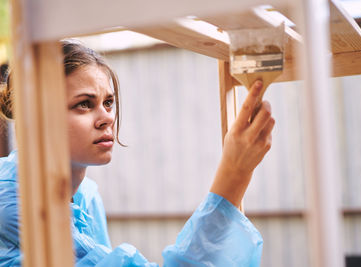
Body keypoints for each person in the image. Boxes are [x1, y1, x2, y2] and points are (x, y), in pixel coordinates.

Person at [0, 40, 275, 266]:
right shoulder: (13, 202)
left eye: (109, 102)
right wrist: (234, 172)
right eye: (84, 104)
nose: (106, 118)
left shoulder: (86, 196)